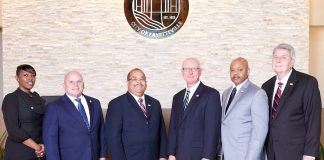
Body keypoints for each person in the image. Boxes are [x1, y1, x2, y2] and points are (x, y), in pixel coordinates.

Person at [262, 43, 321, 160]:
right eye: (276, 57)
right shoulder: (266, 86)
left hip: (297, 153)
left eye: (283, 57)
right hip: (272, 153)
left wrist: (310, 154)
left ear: (292, 62)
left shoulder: (307, 83)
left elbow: (313, 120)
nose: (278, 60)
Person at [105, 68, 168, 160]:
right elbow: (113, 139)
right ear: (127, 83)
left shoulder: (155, 103)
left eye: (142, 79)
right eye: (134, 79)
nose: (139, 82)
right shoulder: (116, 104)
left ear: (146, 82)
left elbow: (161, 132)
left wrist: (162, 156)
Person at [43, 71, 107, 160]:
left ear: (83, 84)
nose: (75, 85)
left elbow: (101, 132)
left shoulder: (95, 103)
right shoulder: (54, 107)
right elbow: (50, 140)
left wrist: (103, 156)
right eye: (71, 82)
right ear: (64, 86)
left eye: (79, 81)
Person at [168, 57, 222, 160]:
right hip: (179, 155)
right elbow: (173, 128)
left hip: (200, 155)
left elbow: (212, 129)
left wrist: (207, 157)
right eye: (186, 69)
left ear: (200, 71)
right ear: (182, 72)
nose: (190, 72)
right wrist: (171, 153)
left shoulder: (211, 94)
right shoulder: (177, 97)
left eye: (194, 68)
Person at [221, 57, 268, 160]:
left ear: (248, 71)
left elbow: (259, 133)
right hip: (227, 154)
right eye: (232, 70)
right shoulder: (225, 93)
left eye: (240, 69)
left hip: (245, 155)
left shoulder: (257, 93)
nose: (235, 73)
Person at [2, 64, 46, 160]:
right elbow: (14, 130)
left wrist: (43, 147)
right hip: (20, 153)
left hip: (39, 152)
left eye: (33, 75)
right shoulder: (11, 98)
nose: (30, 78)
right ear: (17, 78)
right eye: (26, 75)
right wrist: (37, 147)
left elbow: (43, 123)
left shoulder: (36, 97)